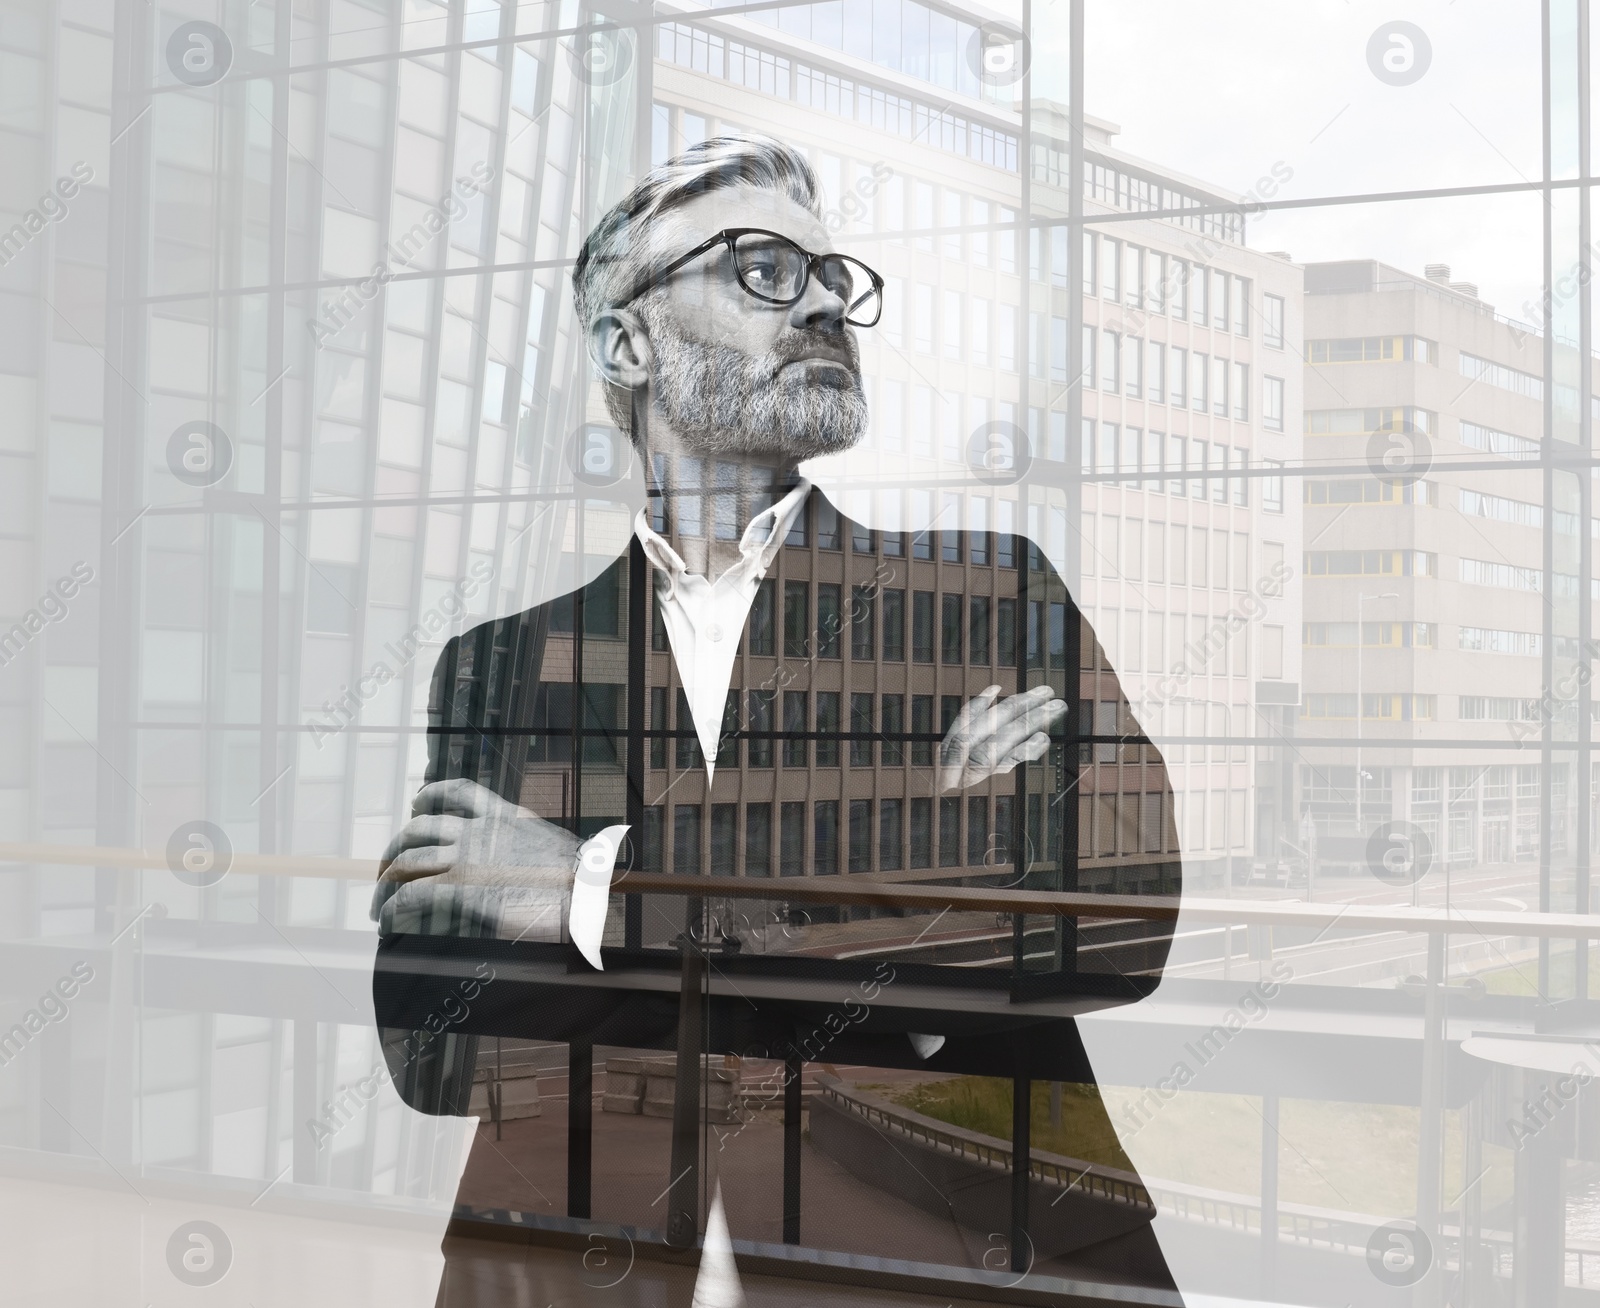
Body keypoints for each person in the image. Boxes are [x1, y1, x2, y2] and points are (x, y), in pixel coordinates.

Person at [371, 135, 1181, 1288]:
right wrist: (917, 840)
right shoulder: (500, 664)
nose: (820, 307)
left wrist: (588, 893)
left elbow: (1108, 919)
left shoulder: (983, 593)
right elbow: (436, 1047)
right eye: (760, 268)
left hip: (955, 1252)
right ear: (627, 340)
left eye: (830, 278)